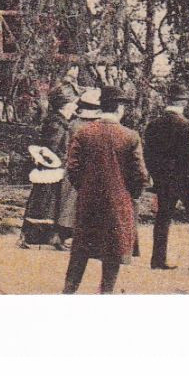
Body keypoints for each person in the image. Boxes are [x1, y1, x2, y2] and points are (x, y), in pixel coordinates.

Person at [63, 86, 150, 294]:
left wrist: (84, 189)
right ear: (119, 108)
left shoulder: (84, 133)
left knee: (81, 249)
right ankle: (106, 293)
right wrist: (131, 195)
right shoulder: (130, 136)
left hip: (88, 202)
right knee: (113, 250)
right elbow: (140, 174)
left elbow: (72, 168)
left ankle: (68, 291)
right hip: (118, 203)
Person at [143, 84, 189, 271]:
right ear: (183, 103)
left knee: (163, 218)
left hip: (163, 180)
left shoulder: (153, 125)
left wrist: (156, 177)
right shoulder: (186, 125)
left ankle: (158, 260)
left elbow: (148, 156)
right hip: (186, 181)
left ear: (167, 101)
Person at [20, 96, 77, 249]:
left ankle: (44, 238)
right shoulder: (56, 125)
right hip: (52, 169)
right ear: (63, 107)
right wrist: (63, 159)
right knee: (46, 202)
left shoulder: (59, 123)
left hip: (53, 168)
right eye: (72, 104)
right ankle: (33, 237)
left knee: (48, 202)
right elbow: (52, 147)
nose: (74, 107)